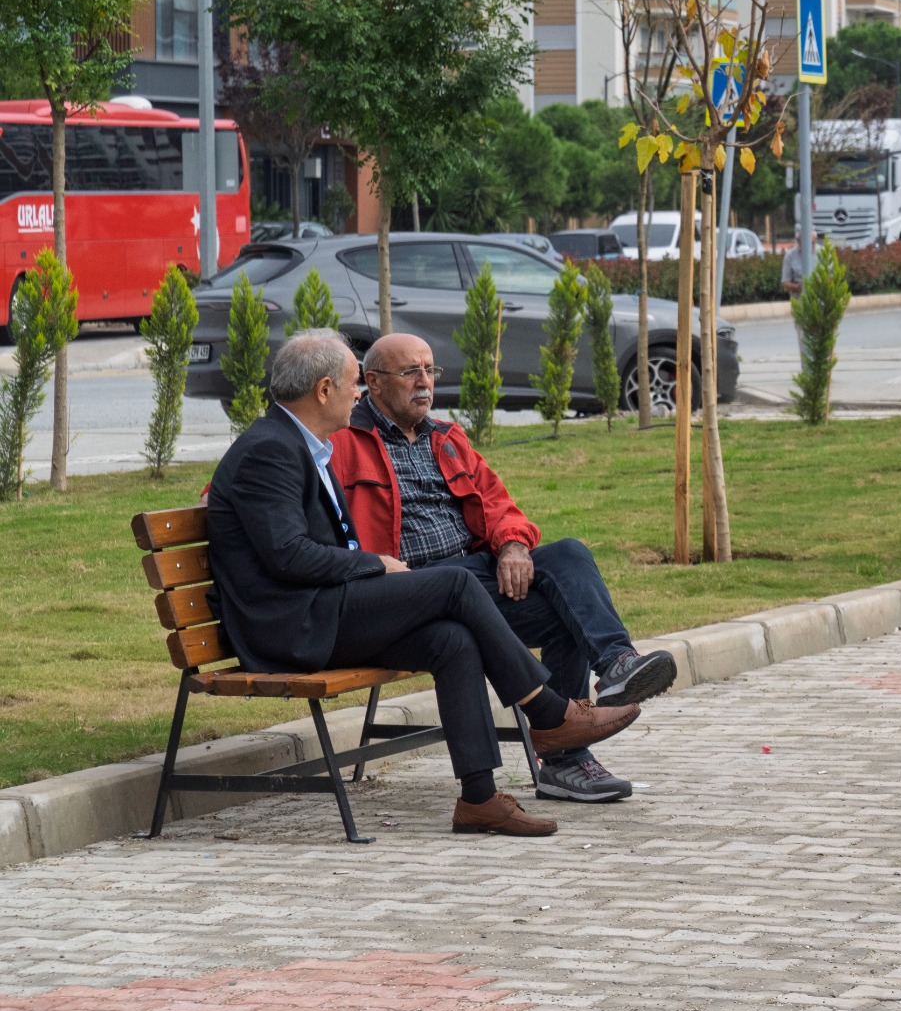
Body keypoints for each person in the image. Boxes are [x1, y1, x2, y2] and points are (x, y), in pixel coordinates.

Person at [205, 330, 638, 836]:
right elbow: (287, 554)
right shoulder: (270, 450)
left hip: (323, 609)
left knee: (451, 640)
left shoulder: (300, 445)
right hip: (293, 627)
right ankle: (547, 713)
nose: (357, 395)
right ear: (323, 390)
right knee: (454, 585)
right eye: (352, 384)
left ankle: (479, 798)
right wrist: (375, 565)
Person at [335, 332, 677, 805]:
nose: (424, 382)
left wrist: (513, 546)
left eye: (430, 370)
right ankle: (566, 755)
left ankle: (615, 666)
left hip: (472, 577)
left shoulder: (446, 438)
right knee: (562, 610)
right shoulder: (342, 442)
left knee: (568, 558)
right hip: (410, 591)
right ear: (373, 382)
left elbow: (498, 504)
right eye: (410, 372)